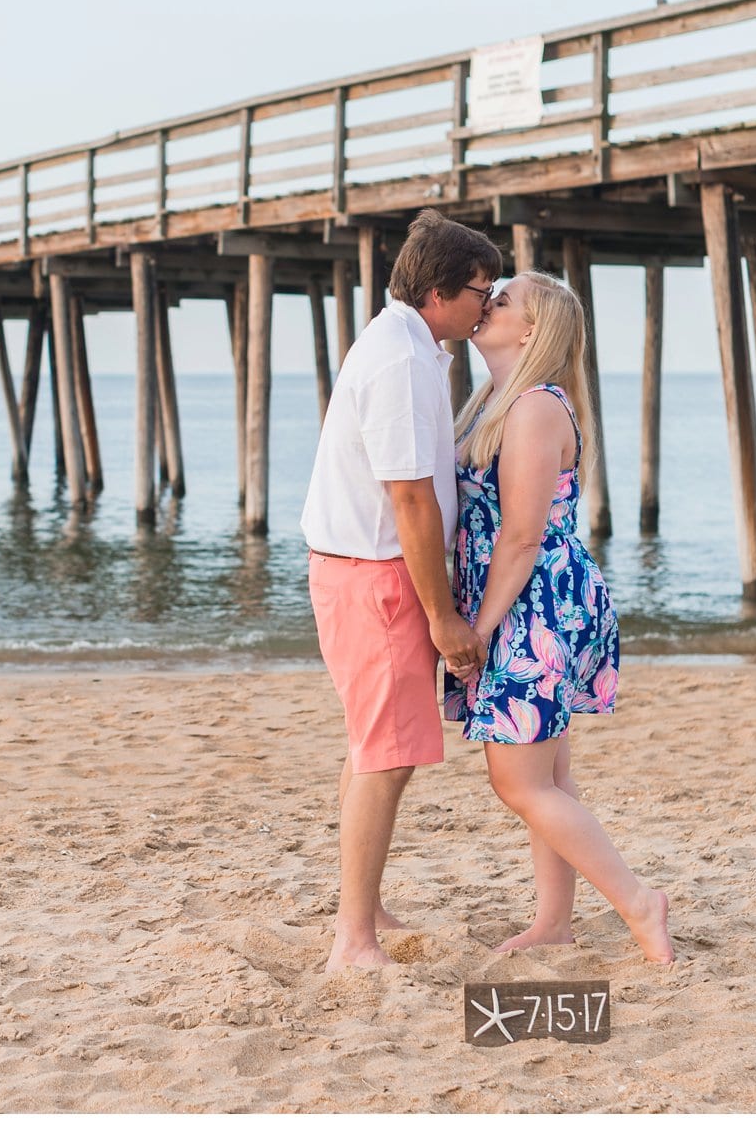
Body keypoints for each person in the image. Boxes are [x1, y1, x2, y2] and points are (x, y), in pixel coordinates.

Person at [445, 270, 673, 965]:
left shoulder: (537, 407)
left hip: (534, 604)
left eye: (504, 299)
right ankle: (553, 921)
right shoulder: (498, 398)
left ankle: (638, 899)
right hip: (533, 597)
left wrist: (477, 630)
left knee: (517, 780)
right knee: (547, 777)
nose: (488, 303)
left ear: (533, 329)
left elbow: (520, 534)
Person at [301, 208, 496, 972]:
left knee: (374, 746)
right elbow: (410, 499)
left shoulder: (402, 345)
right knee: (385, 754)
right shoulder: (403, 362)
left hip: (360, 569)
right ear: (441, 292)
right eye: (482, 290)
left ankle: (365, 905)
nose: (489, 303)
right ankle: (354, 938)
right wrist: (444, 615)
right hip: (375, 575)